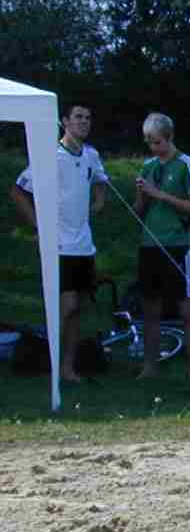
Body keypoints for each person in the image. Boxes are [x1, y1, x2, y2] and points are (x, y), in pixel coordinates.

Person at [9, 102, 109, 382]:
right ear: (65, 121)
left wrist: (99, 202)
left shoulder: (91, 155)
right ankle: (49, 361)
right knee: (67, 306)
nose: (84, 122)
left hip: (84, 245)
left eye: (88, 117)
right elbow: (18, 191)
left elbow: (101, 181)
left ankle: (68, 366)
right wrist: (39, 226)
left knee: (78, 309)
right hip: (60, 246)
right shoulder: (51, 155)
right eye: (78, 117)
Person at [133, 112, 190, 381]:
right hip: (149, 244)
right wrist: (143, 196)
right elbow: (139, 211)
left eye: (157, 142)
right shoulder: (148, 166)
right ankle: (149, 367)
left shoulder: (186, 164)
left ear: (169, 137)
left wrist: (160, 194)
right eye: (149, 142)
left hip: (178, 245)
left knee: (186, 310)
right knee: (150, 309)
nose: (153, 148)